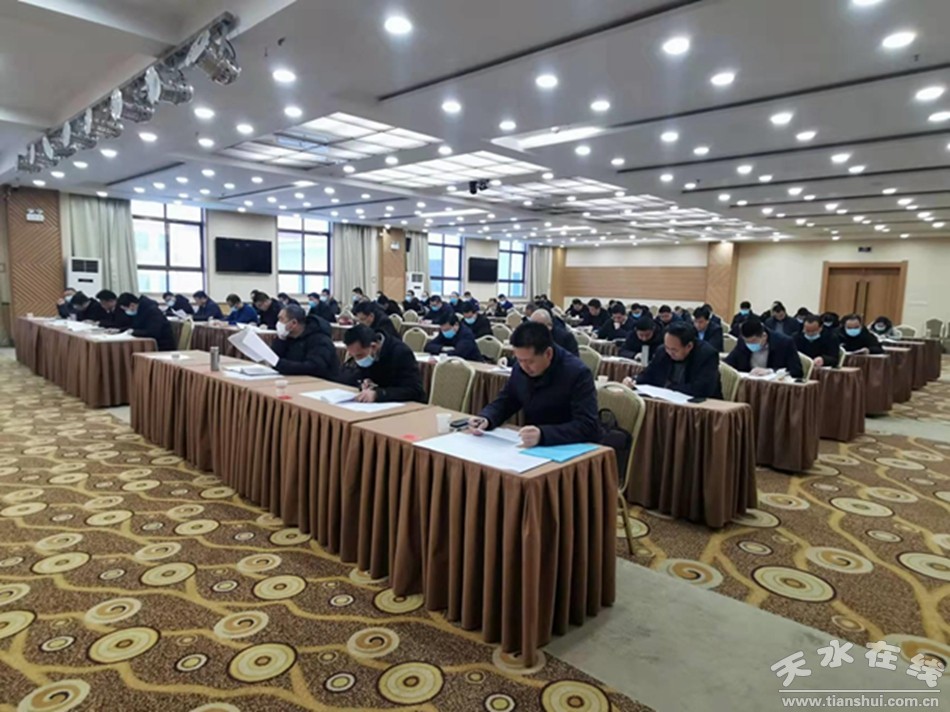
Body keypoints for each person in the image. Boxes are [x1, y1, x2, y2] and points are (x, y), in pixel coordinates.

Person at [469, 322, 599, 447]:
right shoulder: (520, 368)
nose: (524, 366)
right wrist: (487, 418)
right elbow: (506, 400)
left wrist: (543, 435)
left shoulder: (577, 373)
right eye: (519, 360)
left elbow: (587, 425)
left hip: (568, 445)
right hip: (531, 444)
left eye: (530, 362)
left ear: (548, 354)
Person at [634, 322, 723, 398]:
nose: (669, 352)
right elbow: (649, 373)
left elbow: (702, 389)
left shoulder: (707, 355)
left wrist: (669, 387)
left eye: (674, 350)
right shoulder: (662, 351)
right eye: (667, 347)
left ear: (689, 346)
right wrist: (635, 380)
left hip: (702, 406)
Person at [341, 324, 426, 403]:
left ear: (373, 346)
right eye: (353, 356)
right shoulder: (368, 354)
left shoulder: (401, 353)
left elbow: (414, 390)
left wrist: (378, 394)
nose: (357, 360)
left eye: (359, 355)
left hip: (407, 405)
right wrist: (364, 383)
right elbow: (362, 376)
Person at [271, 305, 339, 380]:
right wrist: (281, 339)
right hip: (294, 379)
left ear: (294, 323)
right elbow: (274, 359)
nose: (278, 323)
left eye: (281, 319)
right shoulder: (287, 337)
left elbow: (314, 367)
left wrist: (282, 365)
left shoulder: (319, 340)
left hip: (320, 382)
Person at [726, 316, 804, 378]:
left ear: (764, 336)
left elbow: (797, 371)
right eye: (747, 342)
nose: (749, 344)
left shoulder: (784, 343)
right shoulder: (742, 341)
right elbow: (728, 363)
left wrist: (771, 371)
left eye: (753, 341)